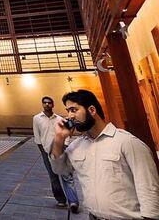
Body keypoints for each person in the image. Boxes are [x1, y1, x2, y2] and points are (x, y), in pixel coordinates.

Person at [50, 89, 159, 220]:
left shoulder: (127, 142)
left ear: (92, 110)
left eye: (74, 110)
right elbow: (59, 169)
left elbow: (149, 189)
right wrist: (58, 139)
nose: (70, 116)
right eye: (68, 111)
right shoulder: (76, 146)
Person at [32, 96, 79, 211]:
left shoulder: (59, 119)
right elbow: (37, 136)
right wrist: (42, 151)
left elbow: (67, 134)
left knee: (66, 175)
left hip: (61, 150)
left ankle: (73, 202)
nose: (47, 104)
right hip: (46, 151)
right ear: (42, 104)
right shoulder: (37, 118)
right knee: (53, 176)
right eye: (45, 103)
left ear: (53, 105)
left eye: (49, 103)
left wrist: (65, 145)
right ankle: (61, 200)